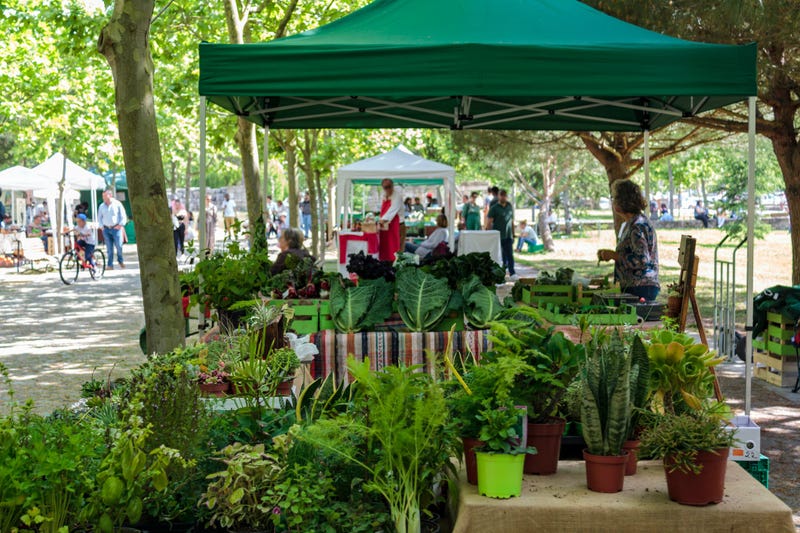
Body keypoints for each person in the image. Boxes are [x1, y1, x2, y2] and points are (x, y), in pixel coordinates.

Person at [597, 179, 660, 301]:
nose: (613, 202)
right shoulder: (631, 223)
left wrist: (614, 256)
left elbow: (642, 260)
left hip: (641, 288)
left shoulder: (638, 226)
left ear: (622, 202)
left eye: (614, 198)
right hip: (634, 287)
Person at [487, 189, 516, 279]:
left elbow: (512, 221)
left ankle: (512, 273)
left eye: (504, 195)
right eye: (501, 195)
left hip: (508, 235)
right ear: (499, 196)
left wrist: (513, 233)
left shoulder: (509, 206)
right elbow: (489, 222)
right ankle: (501, 274)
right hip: (498, 236)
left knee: (510, 255)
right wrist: (489, 233)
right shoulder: (494, 208)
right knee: (500, 256)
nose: (503, 197)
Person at [97, 189, 127, 269]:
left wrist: (120, 225)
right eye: (103, 196)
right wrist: (102, 227)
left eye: (105, 195)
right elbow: (99, 218)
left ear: (110, 195)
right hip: (106, 229)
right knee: (109, 248)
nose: (103, 197)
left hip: (116, 228)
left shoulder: (117, 204)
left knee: (119, 246)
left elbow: (123, 216)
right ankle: (110, 265)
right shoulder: (101, 206)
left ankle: (120, 260)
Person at [378, 178, 403, 262]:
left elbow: (392, 210)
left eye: (389, 186)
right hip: (384, 226)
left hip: (395, 225)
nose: (388, 189)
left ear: (392, 186)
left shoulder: (397, 196)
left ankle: (394, 265)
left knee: (394, 247)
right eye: (385, 187)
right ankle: (384, 263)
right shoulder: (384, 196)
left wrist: (382, 220)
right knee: (384, 246)